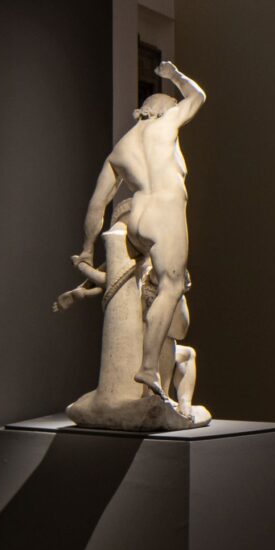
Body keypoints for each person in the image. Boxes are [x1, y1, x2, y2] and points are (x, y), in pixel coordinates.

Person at [75, 61, 206, 397]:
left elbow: (97, 204)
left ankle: (148, 365)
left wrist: (87, 250)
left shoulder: (119, 150)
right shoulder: (166, 123)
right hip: (166, 213)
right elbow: (198, 97)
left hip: (139, 217)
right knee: (171, 288)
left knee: (153, 286)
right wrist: (175, 76)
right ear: (162, 110)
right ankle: (148, 368)